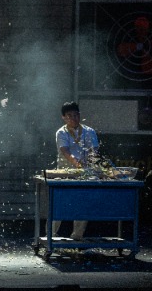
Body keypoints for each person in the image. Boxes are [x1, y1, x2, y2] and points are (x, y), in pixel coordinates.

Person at [52, 101, 99, 240]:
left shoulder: (89, 131)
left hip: (84, 174)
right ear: (64, 117)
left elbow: (94, 151)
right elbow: (65, 151)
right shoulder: (61, 133)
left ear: (80, 115)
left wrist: (89, 162)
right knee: (59, 204)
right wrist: (77, 163)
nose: (73, 118)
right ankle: (51, 235)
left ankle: (77, 236)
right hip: (65, 173)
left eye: (76, 115)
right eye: (69, 116)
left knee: (82, 204)